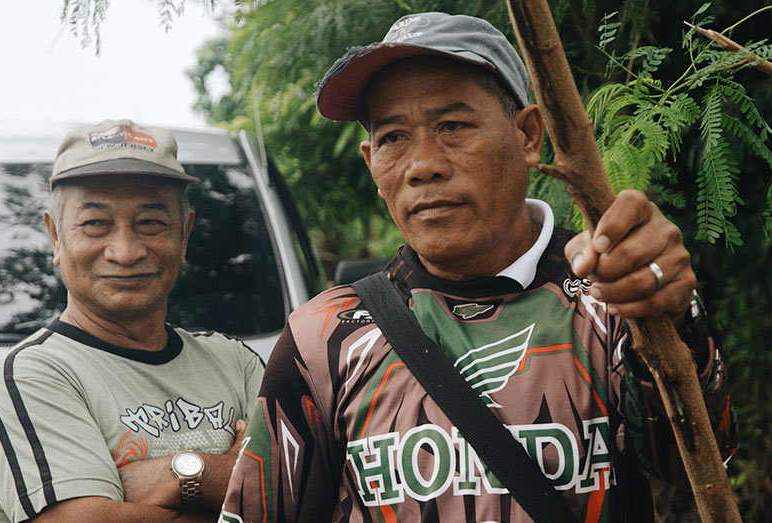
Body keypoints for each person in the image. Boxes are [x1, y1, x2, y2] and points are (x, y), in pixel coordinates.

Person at [219, 12, 735, 522]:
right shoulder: (324, 339)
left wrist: (674, 314)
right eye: (393, 137)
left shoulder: (609, 294)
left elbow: (697, 462)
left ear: (528, 135)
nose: (423, 166)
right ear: (370, 162)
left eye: (453, 126)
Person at [0, 119, 265, 522]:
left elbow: (308, 494)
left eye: (151, 223)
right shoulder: (30, 377)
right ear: (55, 236)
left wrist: (181, 474)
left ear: (184, 235)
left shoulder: (235, 362)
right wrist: (234, 480)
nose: (125, 252)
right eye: (95, 224)